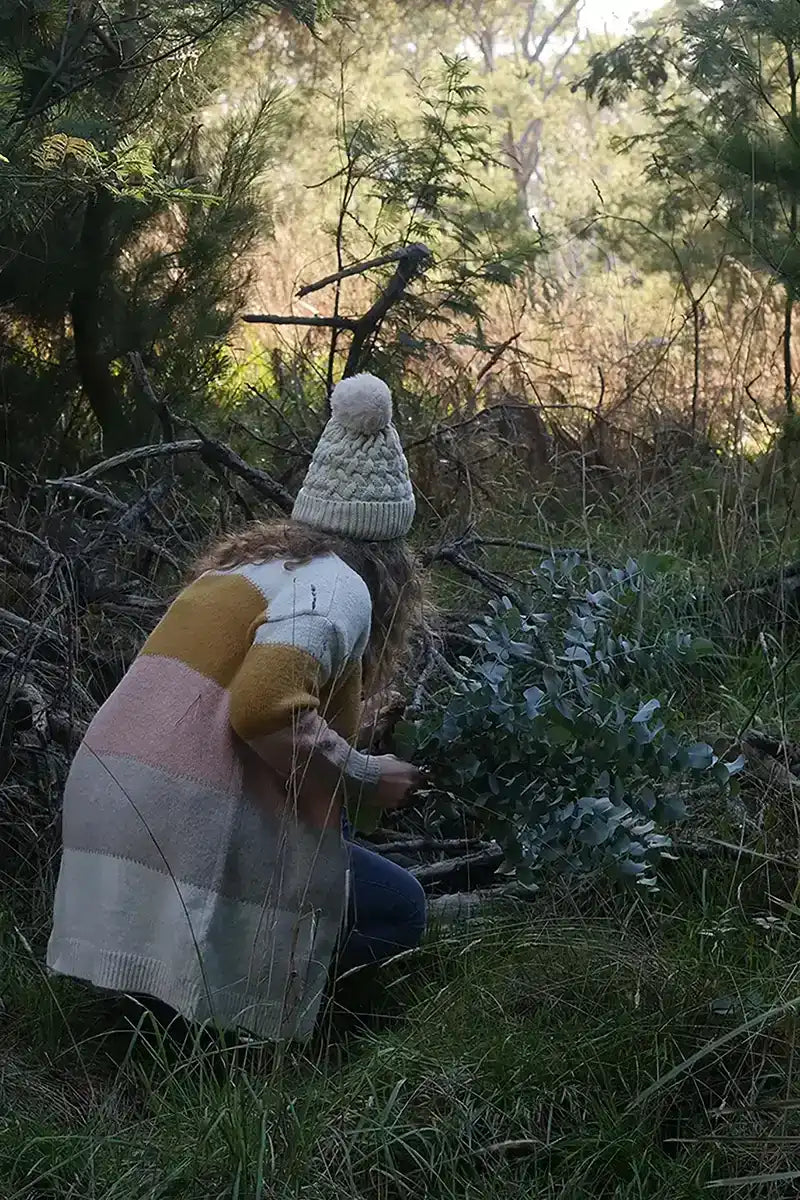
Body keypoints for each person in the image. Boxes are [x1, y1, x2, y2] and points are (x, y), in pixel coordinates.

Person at [46, 372, 427, 1042]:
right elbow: (260, 708)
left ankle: (154, 1027)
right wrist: (365, 773)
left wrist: (344, 731)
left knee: (326, 846)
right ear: (391, 557)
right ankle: (270, 1048)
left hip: (105, 808)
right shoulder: (338, 589)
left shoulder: (249, 571)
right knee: (398, 907)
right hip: (179, 818)